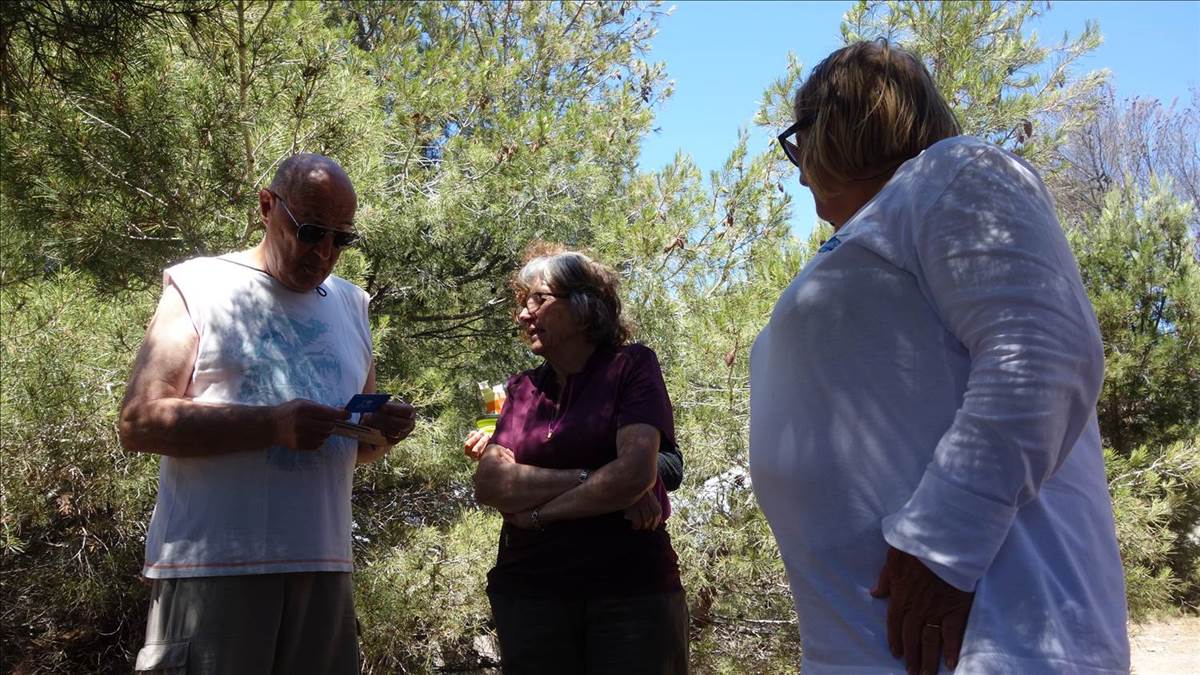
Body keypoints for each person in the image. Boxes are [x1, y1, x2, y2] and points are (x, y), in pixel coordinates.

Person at [750, 41, 1129, 674]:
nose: (797, 171)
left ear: (841, 122)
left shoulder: (954, 172)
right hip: (868, 647)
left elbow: (1042, 351)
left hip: (997, 639)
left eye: (798, 143)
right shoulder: (870, 235)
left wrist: (941, 543)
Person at [118, 153, 416, 674]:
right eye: (311, 232)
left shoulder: (352, 304)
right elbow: (139, 421)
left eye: (341, 239)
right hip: (212, 571)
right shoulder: (201, 285)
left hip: (324, 569)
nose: (324, 253)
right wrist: (271, 425)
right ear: (266, 206)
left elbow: (357, 449)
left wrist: (382, 431)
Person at [468, 244, 688, 674]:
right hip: (530, 593)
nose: (523, 314)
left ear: (585, 308)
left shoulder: (631, 366)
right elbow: (490, 484)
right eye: (522, 302)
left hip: (628, 595)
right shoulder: (522, 389)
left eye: (539, 299)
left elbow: (635, 473)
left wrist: (535, 514)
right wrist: (597, 480)